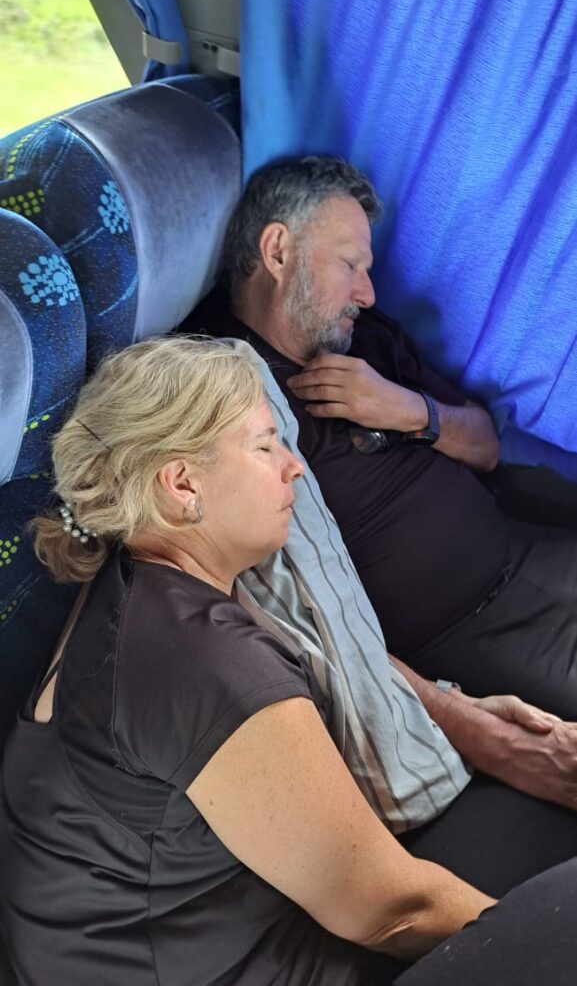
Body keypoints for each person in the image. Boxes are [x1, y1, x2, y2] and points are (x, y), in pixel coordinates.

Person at [1, 335, 577, 986]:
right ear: (183, 483)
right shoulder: (204, 661)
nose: (294, 467)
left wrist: (459, 711)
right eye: (266, 445)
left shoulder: (134, 598)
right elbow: (392, 912)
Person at [186, 154, 577, 803]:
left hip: (526, 549)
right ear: (277, 250)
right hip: (464, 634)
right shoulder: (225, 398)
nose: (367, 293)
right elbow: (294, 621)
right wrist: (467, 724)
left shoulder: (365, 341)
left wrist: (405, 408)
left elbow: (484, 447)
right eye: (351, 266)